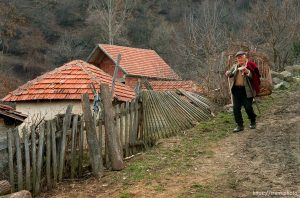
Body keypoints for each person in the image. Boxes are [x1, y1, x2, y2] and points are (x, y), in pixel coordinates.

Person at [225, 51, 256, 132]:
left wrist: (247, 72)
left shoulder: (250, 65)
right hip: (236, 90)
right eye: (238, 58)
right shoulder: (235, 66)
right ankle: (240, 125)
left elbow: (254, 76)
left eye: (241, 57)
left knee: (248, 107)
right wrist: (228, 73)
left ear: (245, 57)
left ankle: (253, 121)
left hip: (246, 90)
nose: (239, 59)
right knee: (236, 109)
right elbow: (230, 74)